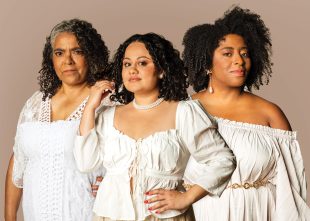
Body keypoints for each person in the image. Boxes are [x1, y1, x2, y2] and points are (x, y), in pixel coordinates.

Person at [73, 33, 236, 221]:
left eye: (142, 63)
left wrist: (186, 198)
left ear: (161, 70)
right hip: (109, 215)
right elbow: (85, 163)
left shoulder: (183, 112)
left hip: (164, 217)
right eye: (127, 64)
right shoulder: (106, 115)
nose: (132, 70)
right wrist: (90, 107)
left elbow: (223, 160)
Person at [182, 6, 310, 221]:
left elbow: (292, 189)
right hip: (200, 213)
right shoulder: (183, 110)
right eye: (227, 53)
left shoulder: (270, 113)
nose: (239, 61)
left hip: (259, 213)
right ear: (207, 64)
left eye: (244, 53)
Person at [5, 18, 110, 221]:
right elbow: (18, 161)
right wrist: (9, 217)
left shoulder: (106, 100)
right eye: (59, 53)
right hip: (35, 214)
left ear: (91, 55)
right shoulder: (35, 103)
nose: (68, 61)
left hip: (86, 213)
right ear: (51, 58)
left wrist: (113, 182)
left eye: (77, 51)